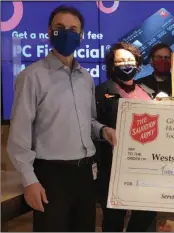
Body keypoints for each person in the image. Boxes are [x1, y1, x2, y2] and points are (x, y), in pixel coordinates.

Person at [6, 5, 116, 232]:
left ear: (81, 35)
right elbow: (18, 136)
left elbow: (89, 121)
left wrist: (104, 130)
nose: (66, 32)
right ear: (49, 32)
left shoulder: (85, 78)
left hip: (85, 175)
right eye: (60, 28)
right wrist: (30, 181)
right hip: (51, 176)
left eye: (73, 29)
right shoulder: (31, 77)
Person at [95, 42, 157, 232]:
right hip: (112, 169)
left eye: (130, 60)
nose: (126, 64)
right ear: (112, 65)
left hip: (145, 169)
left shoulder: (148, 93)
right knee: (113, 219)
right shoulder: (100, 92)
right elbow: (92, 127)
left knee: (146, 213)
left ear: (138, 64)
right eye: (120, 61)